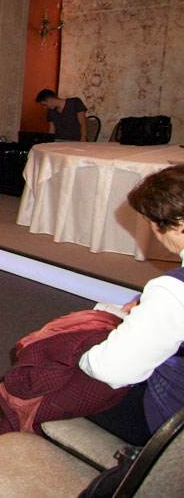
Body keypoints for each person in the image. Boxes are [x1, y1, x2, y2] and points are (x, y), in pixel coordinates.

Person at [79, 163, 184, 445]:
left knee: (53, 371)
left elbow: (109, 370)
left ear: (178, 224)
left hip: (170, 426)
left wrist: (83, 356)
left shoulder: (173, 292)